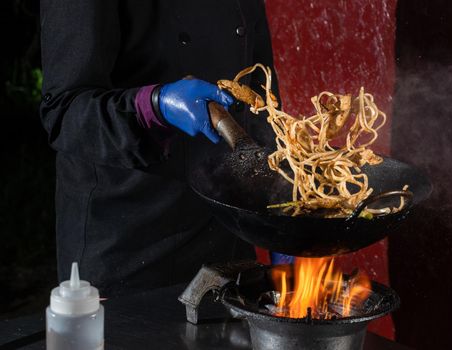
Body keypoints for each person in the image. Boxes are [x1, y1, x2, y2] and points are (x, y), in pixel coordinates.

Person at [39, 0, 279, 297]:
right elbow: (64, 113)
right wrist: (153, 106)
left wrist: (277, 219)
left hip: (226, 230)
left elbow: (261, 98)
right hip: (128, 240)